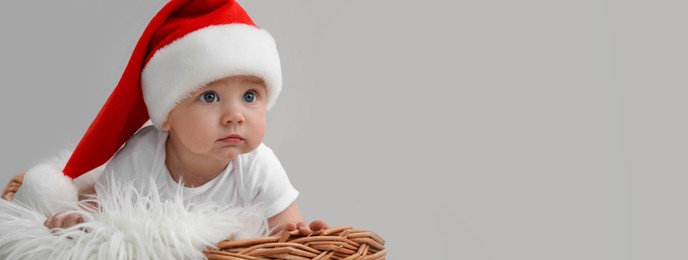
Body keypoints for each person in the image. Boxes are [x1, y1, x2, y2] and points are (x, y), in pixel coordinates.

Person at [29, 0, 327, 236]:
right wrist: (76, 221)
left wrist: (302, 234)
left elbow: (287, 231)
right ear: (168, 113)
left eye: (250, 96)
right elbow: (99, 213)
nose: (234, 116)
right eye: (209, 97)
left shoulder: (257, 167)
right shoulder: (140, 158)